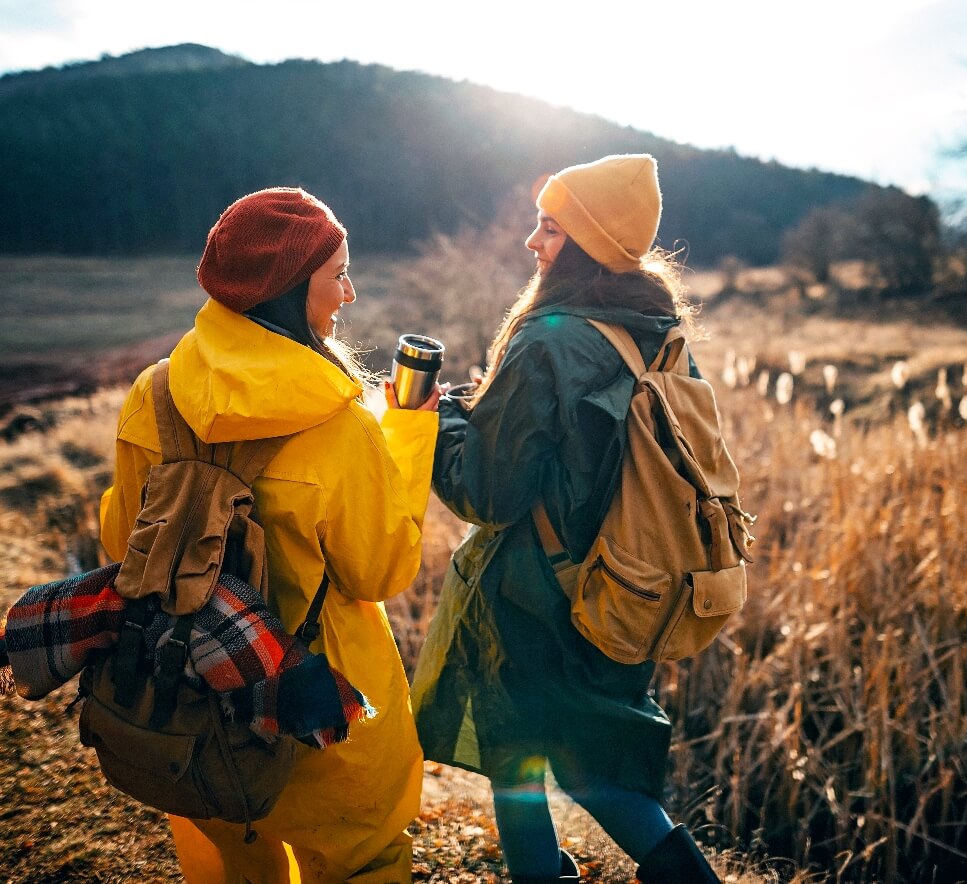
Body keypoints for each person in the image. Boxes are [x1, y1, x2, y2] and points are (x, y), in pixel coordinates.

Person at [99, 187, 441, 884]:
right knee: (361, 861)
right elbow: (379, 571)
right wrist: (407, 431)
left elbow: (119, 537)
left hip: (185, 692)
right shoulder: (340, 428)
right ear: (288, 289)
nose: (349, 292)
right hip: (318, 702)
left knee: (228, 856)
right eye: (338, 273)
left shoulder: (153, 394)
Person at [411, 154, 722, 883]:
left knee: (524, 759)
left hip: (537, 597)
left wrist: (442, 417)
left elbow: (488, 494)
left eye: (549, 227)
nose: (532, 243)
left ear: (586, 241)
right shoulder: (656, 330)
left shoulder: (548, 336)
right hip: (628, 584)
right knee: (591, 763)